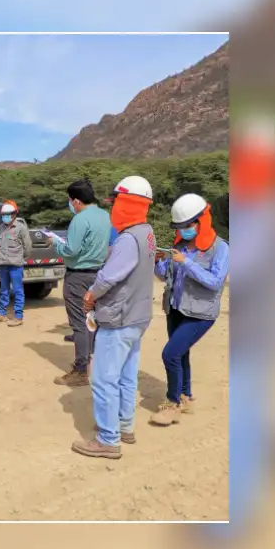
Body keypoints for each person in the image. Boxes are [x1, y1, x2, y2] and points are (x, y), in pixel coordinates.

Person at [72, 175, 156, 460]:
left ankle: (108, 439)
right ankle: (124, 426)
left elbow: (108, 278)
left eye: (117, 202)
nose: (114, 208)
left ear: (128, 203)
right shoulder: (147, 232)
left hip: (119, 318)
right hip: (138, 316)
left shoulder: (128, 239)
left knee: (103, 379)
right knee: (126, 374)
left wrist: (90, 295)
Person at [150, 194, 229, 427]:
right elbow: (165, 274)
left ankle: (172, 403)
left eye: (186, 226)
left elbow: (215, 282)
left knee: (170, 354)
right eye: (179, 227)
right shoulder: (179, 245)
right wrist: (158, 262)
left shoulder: (221, 248)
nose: (183, 231)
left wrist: (187, 262)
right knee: (181, 353)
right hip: (176, 308)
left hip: (200, 314)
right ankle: (186, 396)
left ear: (200, 221)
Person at [47, 179, 112, 386]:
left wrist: (56, 244)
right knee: (94, 320)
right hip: (100, 274)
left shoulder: (80, 219)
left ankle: (81, 370)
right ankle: (95, 360)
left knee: (80, 323)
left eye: (70, 201)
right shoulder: (105, 216)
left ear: (76, 201)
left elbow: (71, 250)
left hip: (78, 276)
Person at [0, 200, 32, 326]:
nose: (5, 217)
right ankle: (1, 314)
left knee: (18, 291)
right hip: (3, 265)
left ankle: (18, 317)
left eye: (7, 214)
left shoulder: (21, 228)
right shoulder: (1, 227)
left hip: (16, 266)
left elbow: (28, 247)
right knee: (3, 290)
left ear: (14, 215)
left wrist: (21, 258)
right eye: (3, 214)